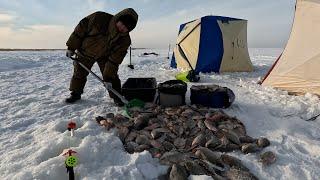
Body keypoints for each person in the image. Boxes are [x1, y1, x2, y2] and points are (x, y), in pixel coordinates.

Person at [65, 8, 138, 106]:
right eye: (122, 24)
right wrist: (71, 47)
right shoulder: (99, 18)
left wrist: (107, 79)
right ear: (118, 19)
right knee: (79, 73)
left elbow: (114, 61)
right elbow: (80, 30)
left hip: (105, 56)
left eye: (126, 28)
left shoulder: (124, 40)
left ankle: (117, 97)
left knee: (112, 77)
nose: (122, 28)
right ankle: (75, 94)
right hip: (85, 51)